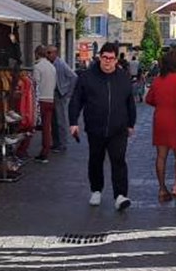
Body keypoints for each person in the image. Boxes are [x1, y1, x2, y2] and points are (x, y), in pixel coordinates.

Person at [69, 42, 136, 211]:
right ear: (99, 57)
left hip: (118, 128)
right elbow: (76, 100)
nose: (107, 61)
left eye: (111, 58)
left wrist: (131, 124)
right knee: (96, 159)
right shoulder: (87, 77)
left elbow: (130, 102)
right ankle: (96, 190)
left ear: (116, 60)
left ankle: (120, 195)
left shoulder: (123, 78)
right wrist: (73, 122)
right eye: (104, 58)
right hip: (95, 127)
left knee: (118, 160)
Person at [145, 50, 176, 203]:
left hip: (160, 120)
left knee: (161, 156)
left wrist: (161, 104)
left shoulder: (159, 79)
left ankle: (162, 189)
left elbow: (149, 99)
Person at [47, 46, 77, 153]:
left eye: (49, 52)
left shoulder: (60, 64)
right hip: (53, 94)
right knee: (54, 121)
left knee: (60, 121)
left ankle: (62, 145)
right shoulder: (51, 64)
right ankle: (56, 143)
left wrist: (68, 92)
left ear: (55, 53)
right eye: (47, 52)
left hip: (60, 94)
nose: (48, 54)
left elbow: (74, 77)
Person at [33, 44, 57, 163]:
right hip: (51, 99)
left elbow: (35, 84)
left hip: (41, 100)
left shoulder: (37, 67)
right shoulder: (52, 67)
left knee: (31, 125)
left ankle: (22, 150)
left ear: (37, 54)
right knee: (47, 127)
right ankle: (45, 151)